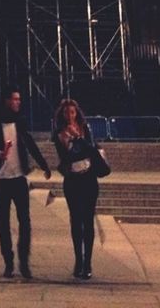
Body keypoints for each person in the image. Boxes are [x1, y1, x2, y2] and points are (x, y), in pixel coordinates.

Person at [0, 86, 52, 280]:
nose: (18, 102)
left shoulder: (19, 122)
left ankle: (24, 262)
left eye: (19, 99)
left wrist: (44, 165)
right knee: (3, 222)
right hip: (1, 178)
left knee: (25, 222)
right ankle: (8, 262)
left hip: (19, 178)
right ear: (7, 101)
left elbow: (30, 143)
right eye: (15, 99)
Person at [52, 97, 101, 280]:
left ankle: (87, 262)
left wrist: (78, 138)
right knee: (75, 221)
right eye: (66, 112)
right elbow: (66, 157)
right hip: (72, 181)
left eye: (72, 112)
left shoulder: (85, 129)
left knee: (88, 221)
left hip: (88, 179)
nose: (69, 116)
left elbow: (90, 150)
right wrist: (69, 141)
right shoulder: (59, 133)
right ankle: (78, 261)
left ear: (77, 113)